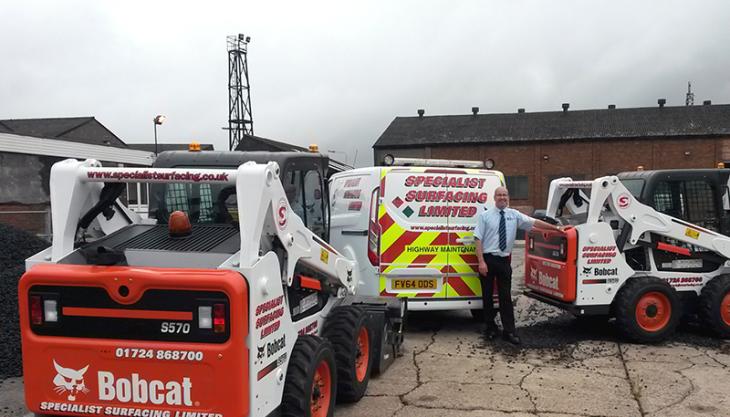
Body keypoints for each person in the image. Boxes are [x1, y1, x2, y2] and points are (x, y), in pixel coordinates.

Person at [474, 186, 562, 345]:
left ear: (508, 198)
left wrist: (556, 229)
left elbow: (535, 223)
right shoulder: (485, 216)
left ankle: (509, 331)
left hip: (504, 261)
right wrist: (481, 262)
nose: (502, 197)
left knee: (505, 297)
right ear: (494, 198)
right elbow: (477, 239)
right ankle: (490, 328)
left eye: (505, 195)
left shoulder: (514, 215)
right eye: (499, 195)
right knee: (487, 297)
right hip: (488, 260)